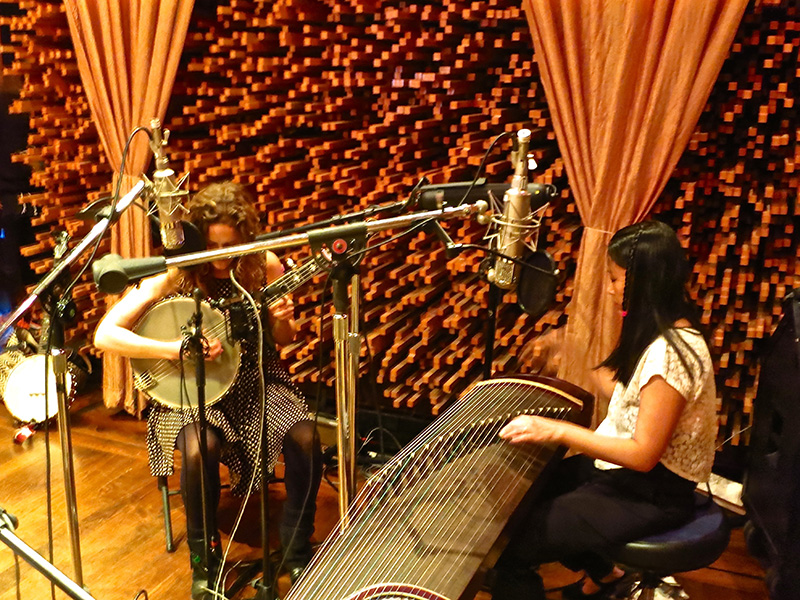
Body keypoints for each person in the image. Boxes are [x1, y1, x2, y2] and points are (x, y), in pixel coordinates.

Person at [94, 181, 322, 599]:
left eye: (231, 246)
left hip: (257, 381)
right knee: (200, 447)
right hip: (190, 390)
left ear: (246, 238)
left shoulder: (263, 265)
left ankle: (296, 545)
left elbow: (285, 339)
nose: (222, 257)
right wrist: (171, 349)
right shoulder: (177, 272)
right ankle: (205, 561)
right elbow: (105, 335)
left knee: (307, 438)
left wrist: (282, 318)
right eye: (213, 247)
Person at [491, 220, 717, 600]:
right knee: (523, 497)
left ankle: (596, 572)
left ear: (641, 282)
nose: (610, 290)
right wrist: (573, 347)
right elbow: (625, 392)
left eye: (615, 279)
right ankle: (608, 575)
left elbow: (643, 455)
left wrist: (556, 430)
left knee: (510, 548)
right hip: (629, 478)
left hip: (653, 492)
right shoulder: (663, 330)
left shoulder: (672, 352)